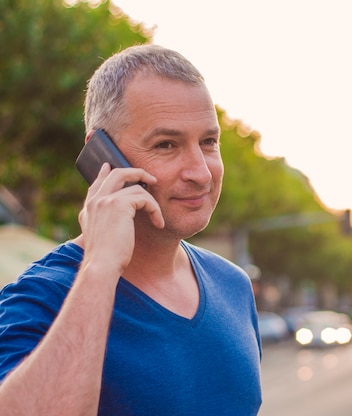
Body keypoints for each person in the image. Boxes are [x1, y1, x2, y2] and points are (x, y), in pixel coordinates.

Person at [0, 44, 262, 415]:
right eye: (166, 144)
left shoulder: (232, 285)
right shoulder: (39, 298)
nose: (201, 173)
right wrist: (101, 267)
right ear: (102, 156)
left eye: (208, 142)